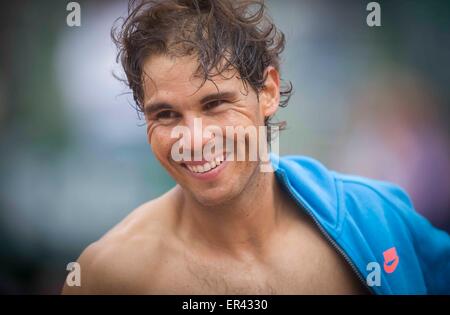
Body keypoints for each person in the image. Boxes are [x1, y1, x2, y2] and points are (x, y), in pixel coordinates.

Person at [62, 0, 450, 294]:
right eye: (165, 114)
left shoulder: (375, 221)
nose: (194, 139)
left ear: (267, 91)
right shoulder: (110, 273)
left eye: (214, 104)